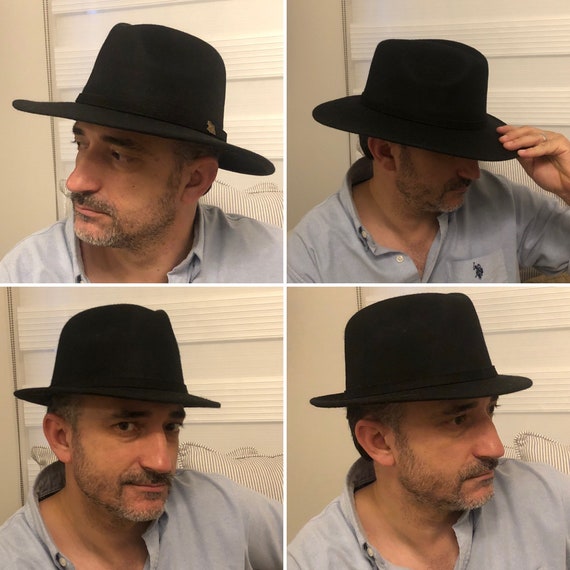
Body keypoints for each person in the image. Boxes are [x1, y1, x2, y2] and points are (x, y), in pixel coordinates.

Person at [288, 293, 570, 569]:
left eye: (490, 409)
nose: (495, 448)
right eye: (458, 420)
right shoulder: (312, 561)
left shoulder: (547, 497)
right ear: (379, 441)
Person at [0, 304, 283, 569]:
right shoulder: (13, 558)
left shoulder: (222, 506)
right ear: (62, 437)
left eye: (171, 427)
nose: (162, 463)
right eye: (126, 426)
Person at [0, 23, 282, 283]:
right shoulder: (25, 271)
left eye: (118, 155)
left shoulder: (273, 262)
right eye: (80, 143)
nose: (75, 182)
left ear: (195, 179)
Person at [287, 39, 570, 283]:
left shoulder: (503, 202)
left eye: (473, 151)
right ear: (385, 152)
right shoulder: (310, 254)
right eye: (449, 152)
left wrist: (567, 188)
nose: (473, 172)